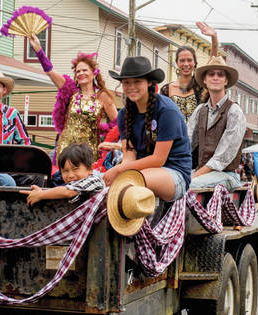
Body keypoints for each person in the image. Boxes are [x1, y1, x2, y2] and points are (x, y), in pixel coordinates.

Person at [103, 57, 192, 202]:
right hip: (141, 169)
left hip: (173, 172)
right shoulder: (124, 114)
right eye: (126, 82)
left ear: (150, 82)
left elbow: (158, 159)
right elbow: (129, 156)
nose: (131, 86)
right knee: (110, 184)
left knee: (129, 182)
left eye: (137, 81)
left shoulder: (167, 111)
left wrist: (120, 170)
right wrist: (119, 170)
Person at [28, 34, 118, 164]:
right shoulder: (70, 92)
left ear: (94, 72)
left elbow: (117, 125)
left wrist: (105, 139)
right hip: (65, 150)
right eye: (78, 71)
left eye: (85, 70)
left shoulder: (103, 96)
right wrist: (38, 50)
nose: (81, 74)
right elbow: (50, 71)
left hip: (89, 154)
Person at [186, 56, 245, 191]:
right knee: (169, 183)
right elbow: (186, 143)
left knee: (187, 185)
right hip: (202, 173)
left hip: (227, 175)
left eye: (220, 74)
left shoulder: (234, 111)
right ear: (205, 81)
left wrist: (195, 175)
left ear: (226, 81)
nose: (215, 77)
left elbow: (222, 158)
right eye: (211, 74)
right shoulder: (200, 110)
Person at [160, 22, 220, 122]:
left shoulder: (201, 86)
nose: (186, 64)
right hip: (174, 136)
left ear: (195, 62)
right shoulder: (166, 90)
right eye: (182, 60)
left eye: (189, 60)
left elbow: (212, 61)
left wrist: (214, 37)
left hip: (198, 136)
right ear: (177, 63)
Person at [20, 143, 104, 206]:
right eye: (65, 171)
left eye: (75, 169)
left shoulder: (94, 180)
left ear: (90, 169)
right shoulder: (74, 183)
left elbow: (68, 192)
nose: (70, 175)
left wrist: (41, 194)